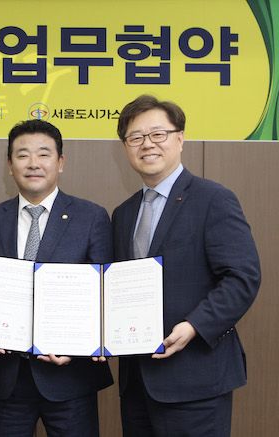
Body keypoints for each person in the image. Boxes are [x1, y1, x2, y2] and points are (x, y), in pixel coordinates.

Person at [112, 94, 261, 436]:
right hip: (137, 383)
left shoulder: (213, 199)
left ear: (180, 138)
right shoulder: (123, 214)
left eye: (158, 134)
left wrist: (194, 325)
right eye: (136, 137)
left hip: (196, 379)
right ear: (125, 148)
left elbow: (242, 277)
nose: (147, 144)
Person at [0, 119, 113, 436]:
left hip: (70, 377)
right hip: (7, 378)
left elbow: (104, 294)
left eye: (43, 154)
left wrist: (80, 344)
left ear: (60, 162)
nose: (33, 163)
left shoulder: (91, 217)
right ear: (9, 165)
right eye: (22, 155)